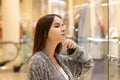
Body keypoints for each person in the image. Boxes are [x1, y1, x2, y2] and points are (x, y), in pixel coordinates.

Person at [26, 14, 94, 80]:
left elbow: (88, 63)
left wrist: (75, 49)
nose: (63, 29)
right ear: (45, 33)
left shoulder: (61, 60)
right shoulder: (37, 61)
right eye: (57, 26)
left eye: (63, 25)